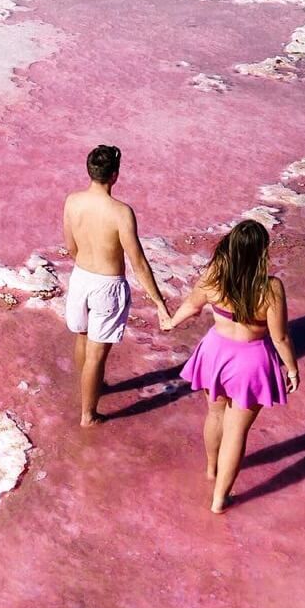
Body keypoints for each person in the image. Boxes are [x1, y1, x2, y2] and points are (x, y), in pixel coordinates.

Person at [165, 219, 299, 512]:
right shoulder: (270, 288)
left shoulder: (214, 275)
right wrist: (292, 368)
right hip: (251, 363)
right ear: (262, 252)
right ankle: (219, 499)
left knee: (215, 415)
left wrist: (171, 322)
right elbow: (280, 337)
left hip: (215, 354)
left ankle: (212, 468)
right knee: (236, 431)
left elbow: (192, 306)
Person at [64, 145, 171, 427]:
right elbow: (138, 262)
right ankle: (88, 414)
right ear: (115, 175)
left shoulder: (72, 202)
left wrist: (86, 266)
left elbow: (70, 246)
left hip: (79, 278)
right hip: (106, 285)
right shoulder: (121, 212)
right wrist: (159, 302)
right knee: (97, 353)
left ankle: (89, 388)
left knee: (81, 336)